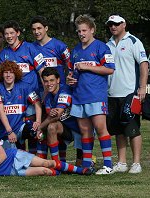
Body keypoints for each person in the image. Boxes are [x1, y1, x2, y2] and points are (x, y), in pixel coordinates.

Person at [0, 117, 92, 177]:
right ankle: (62, 172)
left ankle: (80, 171)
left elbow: (2, 155)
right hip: (8, 171)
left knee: (47, 163)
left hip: (14, 157)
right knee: (45, 171)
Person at [67, 15, 115, 175]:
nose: (81, 34)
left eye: (84, 30)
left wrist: (88, 67)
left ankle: (108, 165)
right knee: (85, 132)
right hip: (79, 96)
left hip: (96, 95)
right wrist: (70, 79)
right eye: (79, 31)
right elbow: (72, 72)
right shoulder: (75, 51)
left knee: (101, 129)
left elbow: (110, 69)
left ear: (92, 30)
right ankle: (87, 165)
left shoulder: (102, 47)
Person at [105, 15, 149, 174]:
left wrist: (142, 87)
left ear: (124, 24)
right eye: (110, 24)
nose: (113, 27)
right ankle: (122, 162)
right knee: (117, 130)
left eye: (116, 24)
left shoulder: (133, 41)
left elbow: (144, 64)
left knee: (132, 129)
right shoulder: (107, 44)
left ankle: (136, 163)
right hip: (111, 93)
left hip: (130, 93)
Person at [0, 60, 42, 150]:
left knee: (34, 131)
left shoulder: (24, 87)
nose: (8, 75)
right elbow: (0, 110)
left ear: (15, 74)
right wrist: (9, 131)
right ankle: (20, 149)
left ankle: (33, 154)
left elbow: (37, 102)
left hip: (20, 128)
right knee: (12, 156)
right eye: (6, 72)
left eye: (11, 72)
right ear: (1, 74)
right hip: (5, 132)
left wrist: (38, 122)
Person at [36, 68, 83, 165]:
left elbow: (57, 115)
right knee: (51, 127)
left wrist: (39, 127)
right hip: (66, 128)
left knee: (80, 165)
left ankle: (88, 159)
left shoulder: (65, 90)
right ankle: (56, 163)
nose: (49, 84)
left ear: (58, 80)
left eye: (52, 80)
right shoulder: (48, 97)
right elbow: (52, 117)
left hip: (80, 129)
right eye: (46, 81)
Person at [30, 15, 72, 86]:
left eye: (39, 28)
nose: (36, 32)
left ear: (46, 28)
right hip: (40, 89)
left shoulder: (60, 46)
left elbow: (71, 64)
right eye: (34, 29)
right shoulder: (30, 47)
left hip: (59, 88)